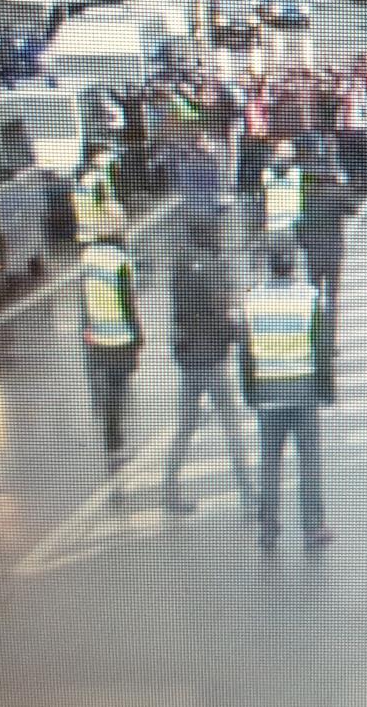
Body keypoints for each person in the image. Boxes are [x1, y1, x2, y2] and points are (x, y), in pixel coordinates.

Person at [239, 246, 334, 553]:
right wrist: (325, 391)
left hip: (267, 393)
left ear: (269, 266)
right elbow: (321, 347)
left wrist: (250, 393)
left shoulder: (252, 298)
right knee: (308, 462)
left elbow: (246, 351)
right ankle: (313, 526)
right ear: (293, 265)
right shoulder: (309, 297)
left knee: (269, 463)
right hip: (302, 392)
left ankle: (268, 528)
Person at [163, 217, 255, 516]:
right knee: (232, 429)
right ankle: (247, 495)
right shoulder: (215, 267)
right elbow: (219, 314)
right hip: (213, 361)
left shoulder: (180, 268)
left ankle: (170, 491)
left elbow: (178, 316)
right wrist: (237, 336)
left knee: (184, 428)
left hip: (189, 360)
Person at [79, 210, 144, 501]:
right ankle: (115, 444)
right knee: (119, 393)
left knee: (108, 389)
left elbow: (85, 297)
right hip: (119, 336)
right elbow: (128, 302)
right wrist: (138, 335)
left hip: (97, 334)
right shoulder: (121, 262)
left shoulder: (88, 258)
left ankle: (110, 438)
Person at [296, 135, 353, 340]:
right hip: (333, 254)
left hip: (314, 255)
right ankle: (330, 337)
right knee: (331, 298)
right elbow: (352, 209)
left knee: (314, 296)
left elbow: (299, 227)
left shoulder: (308, 197)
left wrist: (305, 245)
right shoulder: (335, 192)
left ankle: (315, 337)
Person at [71, 147, 125, 245]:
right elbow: (103, 202)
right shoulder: (96, 180)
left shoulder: (85, 183)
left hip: (90, 232)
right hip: (100, 231)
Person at [260, 141, 303, 244]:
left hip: (291, 228)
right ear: (275, 154)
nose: (285, 157)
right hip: (271, 227)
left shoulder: (297, 173)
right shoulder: (267, 173)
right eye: (282, 153)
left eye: (288, 153)